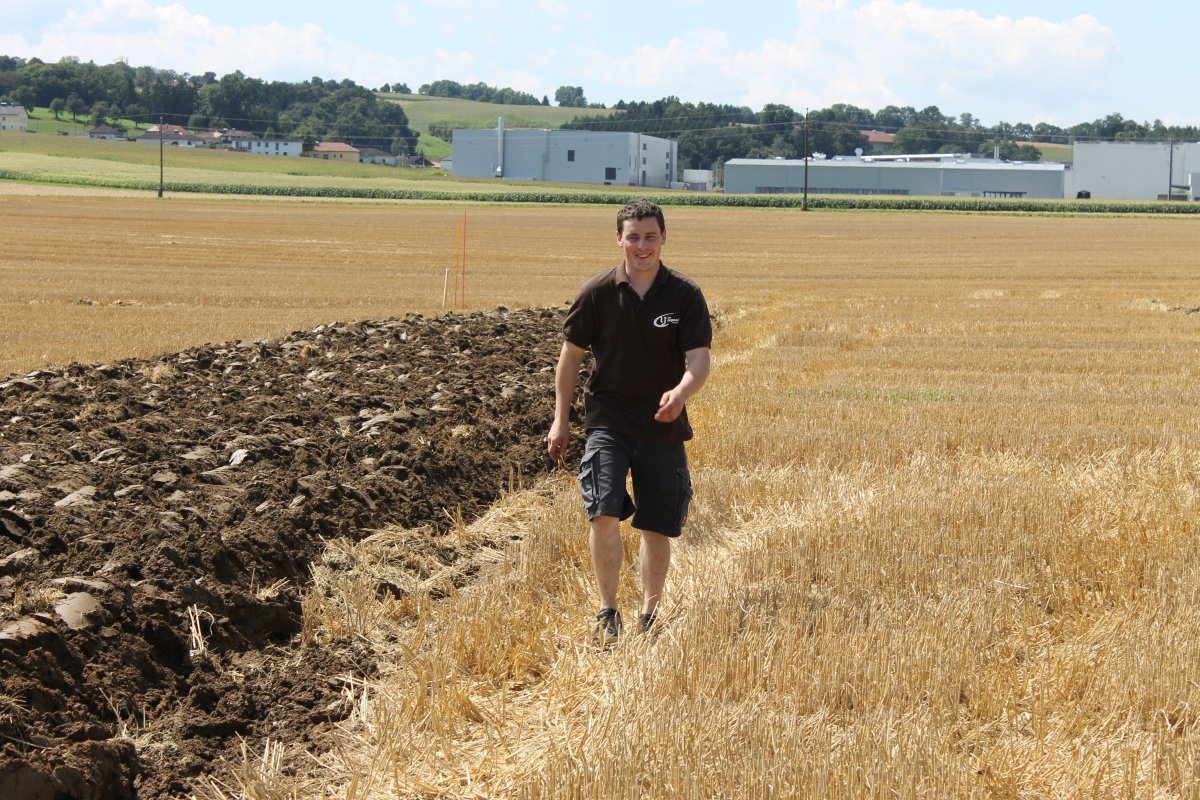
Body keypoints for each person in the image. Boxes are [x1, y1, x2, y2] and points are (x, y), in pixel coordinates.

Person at [547, 198, 712, 645]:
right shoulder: (597, 292)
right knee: (603, 512)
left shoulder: (684, 294)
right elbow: (570, 358)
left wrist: (681, 393)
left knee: (657, 524)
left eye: (650, 236)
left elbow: (699, 360)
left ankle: (649, 614)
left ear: (664, 238)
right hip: (609, 421)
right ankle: (608, 611)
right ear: (618, 238)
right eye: (633, 236)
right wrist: (561, 420)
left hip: (662, 424)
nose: (642, 245)